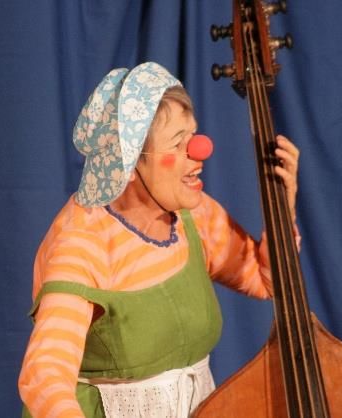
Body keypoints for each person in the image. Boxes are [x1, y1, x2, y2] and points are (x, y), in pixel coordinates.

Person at [18, 62, 300, 418]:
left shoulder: (193, 215)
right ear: (129, 163)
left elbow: (264, 281)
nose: (200, 150)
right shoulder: (82, 243)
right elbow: (45, 376)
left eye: (193, 135)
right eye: (178, 143)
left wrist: (282, 210)